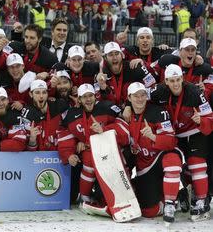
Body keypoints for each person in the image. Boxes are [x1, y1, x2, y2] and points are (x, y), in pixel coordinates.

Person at [149, 64, 213, 221]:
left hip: (194, 132)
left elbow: (210, 117)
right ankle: (183, 192)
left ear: (182, 79)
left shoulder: (195, 92)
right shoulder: (158, 92)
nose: (176, 84)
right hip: (175, 135)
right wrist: (129, 107)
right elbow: (142, 100)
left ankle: (201, 200)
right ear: (166, 81)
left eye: (178, 80)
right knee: (175, 164)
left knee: (196, 164)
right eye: (172, 81)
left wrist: (201, 120)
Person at [57, 83, 129, 216]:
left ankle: (125, 193)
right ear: (79, 99)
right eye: (84, 97)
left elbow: (124, 127)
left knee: (117, 167)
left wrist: (105, 130)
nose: (88, 99)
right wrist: (68, 154)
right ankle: (84, 197)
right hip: (89, 151)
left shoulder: (107, 107)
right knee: (88, 165)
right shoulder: (72, 114)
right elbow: (64, 134)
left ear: (95, 96)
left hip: (110, 149)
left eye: (90, 95)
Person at [126, 82, 181, 223]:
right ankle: (176, 197)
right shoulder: (126, 115)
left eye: (143, 95)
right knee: (149, 212)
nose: (140, 99)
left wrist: (153, 137)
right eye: (136, 96)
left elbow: (171, 142)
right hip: (144, 168)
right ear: (129, 98)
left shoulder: (158, 112)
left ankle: (170, 203)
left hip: (159, 160)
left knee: (172, 157)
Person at [96, 42, 157, 107]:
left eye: (117, 54)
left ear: (122, 55)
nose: (114, 58)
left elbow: (153, 87)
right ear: (105, 58)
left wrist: (131, 104)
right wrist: (103, 87)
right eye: (111, 55)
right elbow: (99, 101)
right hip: (114, 110)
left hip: (136, 107)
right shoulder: (102, 74)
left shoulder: (135, 67)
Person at [22, 80, 69, 151]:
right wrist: (32, 140)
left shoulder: (59, 106)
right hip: (38, 157)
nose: (41, 96)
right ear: (31, 94)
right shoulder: (27, 113)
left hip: (60, 154)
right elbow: (28, 153)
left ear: (47, 94)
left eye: (44, 92)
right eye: (37, 92)